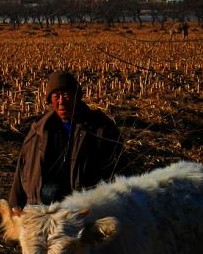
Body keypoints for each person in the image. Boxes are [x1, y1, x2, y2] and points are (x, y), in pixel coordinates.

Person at [8, 70, 124, 209]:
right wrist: (14, 208)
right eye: (56, 96)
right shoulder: (39, 131)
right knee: (50, 192)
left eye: (66, 94)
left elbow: (120, 171)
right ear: (50, 100)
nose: (61, 101)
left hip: (87, 207)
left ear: (77, 96)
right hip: (44, 208)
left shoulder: (100, 129)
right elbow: (22, 172)